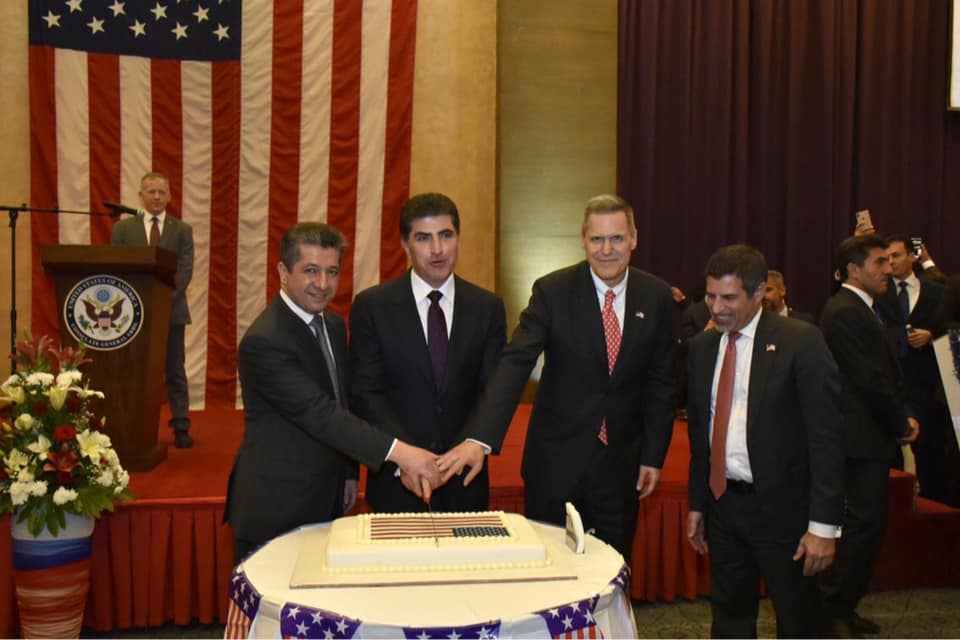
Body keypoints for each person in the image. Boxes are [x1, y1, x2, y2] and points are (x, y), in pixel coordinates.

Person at [442, 194, 676, 559]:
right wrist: (481, 437)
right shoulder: (552, 291)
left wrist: (654, 455)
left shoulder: (657, 296)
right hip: (556, 463)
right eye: (597, 239)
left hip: (622, 464)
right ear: (583, 240)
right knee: (552, 570)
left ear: (634, 238)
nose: (607, 249)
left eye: (617, 238)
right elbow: (515, 362)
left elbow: (662, 382)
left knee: (613, 567)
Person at [224, 222, 441, 564]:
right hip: (276, 504)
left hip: (326, 497)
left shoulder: (334, 324)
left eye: (332, 272)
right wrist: (402, 454)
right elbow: (321, 414)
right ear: (283, 271)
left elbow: (344, 400)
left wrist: (350, 472)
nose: (323, 284)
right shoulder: (265, 341)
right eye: (310, 271)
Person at [685, 245, 844, 638]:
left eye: (729, 298)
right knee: (729, 617)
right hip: (725, 506)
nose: (716, 308)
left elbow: (827, 437)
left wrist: (824, 525)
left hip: (786, 512)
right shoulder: (702, 348)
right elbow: (701, 436)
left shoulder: (800, 341)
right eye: (710, 296)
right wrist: (698, 504)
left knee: (799, 619)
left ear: (759, 294)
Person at [349, 193, 507, 513]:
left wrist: (475, 443)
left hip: (466, 479)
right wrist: (405, 458)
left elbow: (493, 390)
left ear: (458, 238)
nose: (437, 250)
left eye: (446, 235)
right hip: (396, 481)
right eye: (424, 238)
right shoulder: (372, 307)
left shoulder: (487, 308)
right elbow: (366, 393)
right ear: (406, 246)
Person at [819, 234, 920, 637]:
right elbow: (869, 380)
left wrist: (903, 414)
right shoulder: (844, 311)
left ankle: (843, 604)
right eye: (879, 262)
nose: (888, 268)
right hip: (856, 440)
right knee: (863, 526)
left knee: (868, 527)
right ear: (855, 269)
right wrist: (900, 423)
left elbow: (885, 374)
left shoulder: (867, 309)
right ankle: (833, 609)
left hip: (868, 437)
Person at [111, 171, 195, 448]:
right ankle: (130, 424)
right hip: (132, 315)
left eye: (161, 192)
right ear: (141, 195)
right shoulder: (123, 230)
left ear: (169, 196)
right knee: (133, 371)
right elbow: (118, 269)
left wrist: (162, 300)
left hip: (171, 312)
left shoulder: (182, 231)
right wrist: (140, 303)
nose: (156, 197)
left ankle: (181, 425)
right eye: (151, 192)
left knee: (175, 370)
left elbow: (184, 269)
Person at [876, 234, 947, 493]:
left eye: (895, 255)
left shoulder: (937, 292)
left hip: (925, 384)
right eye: (885, 258)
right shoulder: (879, 293)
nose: (890, 262)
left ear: (911, 257)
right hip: (890, 382)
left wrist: (931, 337)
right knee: (888, 458)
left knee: (930, 455)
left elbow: (952, 326)